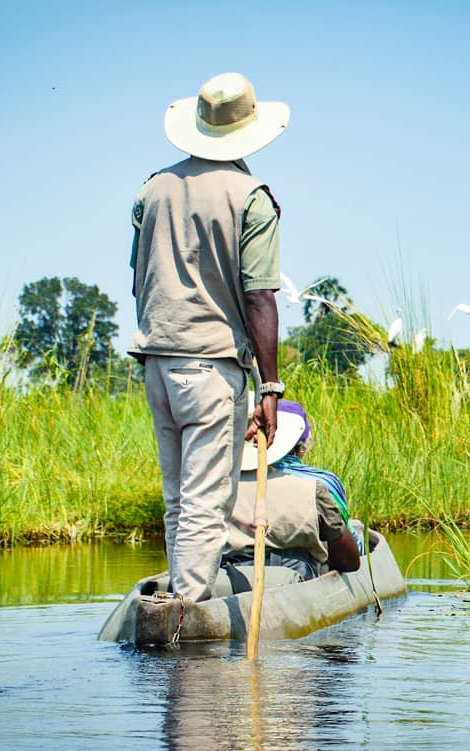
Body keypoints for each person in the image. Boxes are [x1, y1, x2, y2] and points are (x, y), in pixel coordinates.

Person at [127, 73, 288, 602]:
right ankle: (187, 618)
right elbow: (260, 296)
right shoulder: (252, 198)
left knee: (177, 498)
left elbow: (140, 278)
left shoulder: (152, 189)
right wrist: (269, 388)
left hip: (156, 361)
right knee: (205, 501)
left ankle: (179, 594)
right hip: (210, 367)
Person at [225, 400, 362, 581]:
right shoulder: (313, 489)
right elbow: (349, 562)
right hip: (294, 576)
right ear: (300, 445)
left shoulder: (214, 488)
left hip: (228, 573)